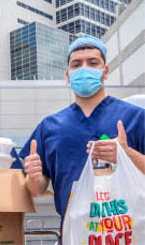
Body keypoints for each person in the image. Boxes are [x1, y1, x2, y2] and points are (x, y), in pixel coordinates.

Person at [19, 35, 145, 233]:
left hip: (128, 231)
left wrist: (126, 155)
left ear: (105, 72)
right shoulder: (49, 127)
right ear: (68, 75)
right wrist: (33, 178)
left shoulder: (136, 118)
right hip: (75, 233)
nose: (84, 68)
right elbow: (38, 189)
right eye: (77, 64)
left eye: (92, 63)